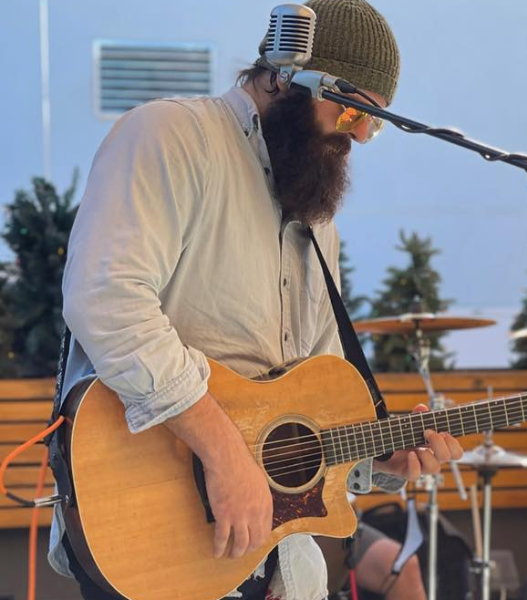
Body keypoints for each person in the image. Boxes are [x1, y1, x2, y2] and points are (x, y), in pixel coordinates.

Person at [48, 1, 463, 599]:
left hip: (278, 558)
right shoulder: (171, 134)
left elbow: (314, 393)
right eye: (353, 108)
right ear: (285, 75)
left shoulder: (316, 221)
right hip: (159, 534)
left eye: (377, 120)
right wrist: (223, 453)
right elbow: (106, 299)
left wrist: (378, 459)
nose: (364, 134)